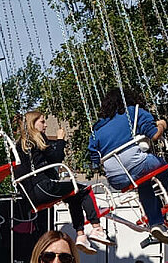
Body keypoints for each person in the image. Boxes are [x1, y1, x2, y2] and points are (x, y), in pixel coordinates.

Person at [86, 86, 168, 242]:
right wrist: (162, 125)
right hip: (137, 163)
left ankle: (156, 224)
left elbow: (94, 160)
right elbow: (154, 135)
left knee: (144, 183)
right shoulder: (133, 112)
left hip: (116, 178)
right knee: (164, 169)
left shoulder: (96, 129)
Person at [13, 109, 111, 255]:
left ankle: (81, 235)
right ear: (33, 124)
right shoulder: (38, 137)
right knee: (84, 190)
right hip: (43, 187)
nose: (45, 125)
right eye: (42, 121)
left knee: (73, 195)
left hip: (30, 195)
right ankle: (97, 228)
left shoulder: (19, 145)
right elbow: (57, 158)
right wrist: (60, 140)